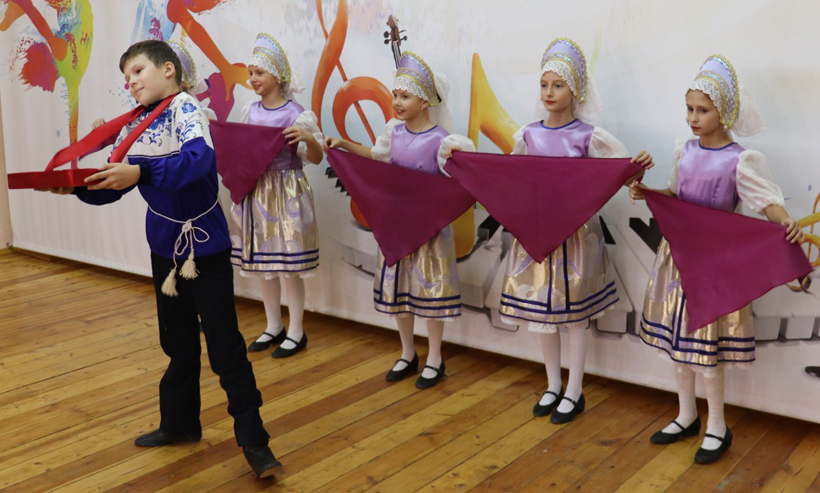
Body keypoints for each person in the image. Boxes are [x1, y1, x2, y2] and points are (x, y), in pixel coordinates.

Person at [45, 40, 281, 478]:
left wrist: (142, 170)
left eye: (137, 71)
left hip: (204, 249)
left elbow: (198, 162)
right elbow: (114, 186)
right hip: (163, 248)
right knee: (177, 342)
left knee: (225, 348)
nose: (131, 82)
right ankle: (179, 424)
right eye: (126, 77)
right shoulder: (134, 124)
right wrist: (76, 188)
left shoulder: (187, 108)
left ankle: (255, 442)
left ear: (168, 70)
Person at [630, 54, 804, 464]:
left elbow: (766, 203)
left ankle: (718, 426)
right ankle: (686, 415)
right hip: (679, 258)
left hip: (715, 265)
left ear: (723, 112)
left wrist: (785, 221)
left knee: (706, 346)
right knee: (680, 342)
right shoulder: (685, 150)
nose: (693, 118)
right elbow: (676, 195)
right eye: (689, 109)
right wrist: (647, 192)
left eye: (702, 110)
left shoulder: (740, 160)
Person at [325, 51, 474, 389]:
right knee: (400, 291)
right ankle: (408, 352)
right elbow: (377, 158)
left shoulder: (442, 140)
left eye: (405, 96)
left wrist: (458, 162)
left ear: (425, 101)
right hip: (396, 225)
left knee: (431, 294)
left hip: (430, 230)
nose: (396, 101)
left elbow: (458, 180)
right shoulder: (393, 132)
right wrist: (343, 144)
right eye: (395, 94)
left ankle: (435, 357)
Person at [232, 33, 323, 359]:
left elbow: (317, 158)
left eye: (259, 72)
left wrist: (308, 138)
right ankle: (273, 324)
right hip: (258, 191)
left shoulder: (296, 113)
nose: (253, 79)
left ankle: (296, 330)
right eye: (251, 73)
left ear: (278, 75)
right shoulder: (250, 111)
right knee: (263, 265)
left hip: (287, 193)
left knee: (288, 267)